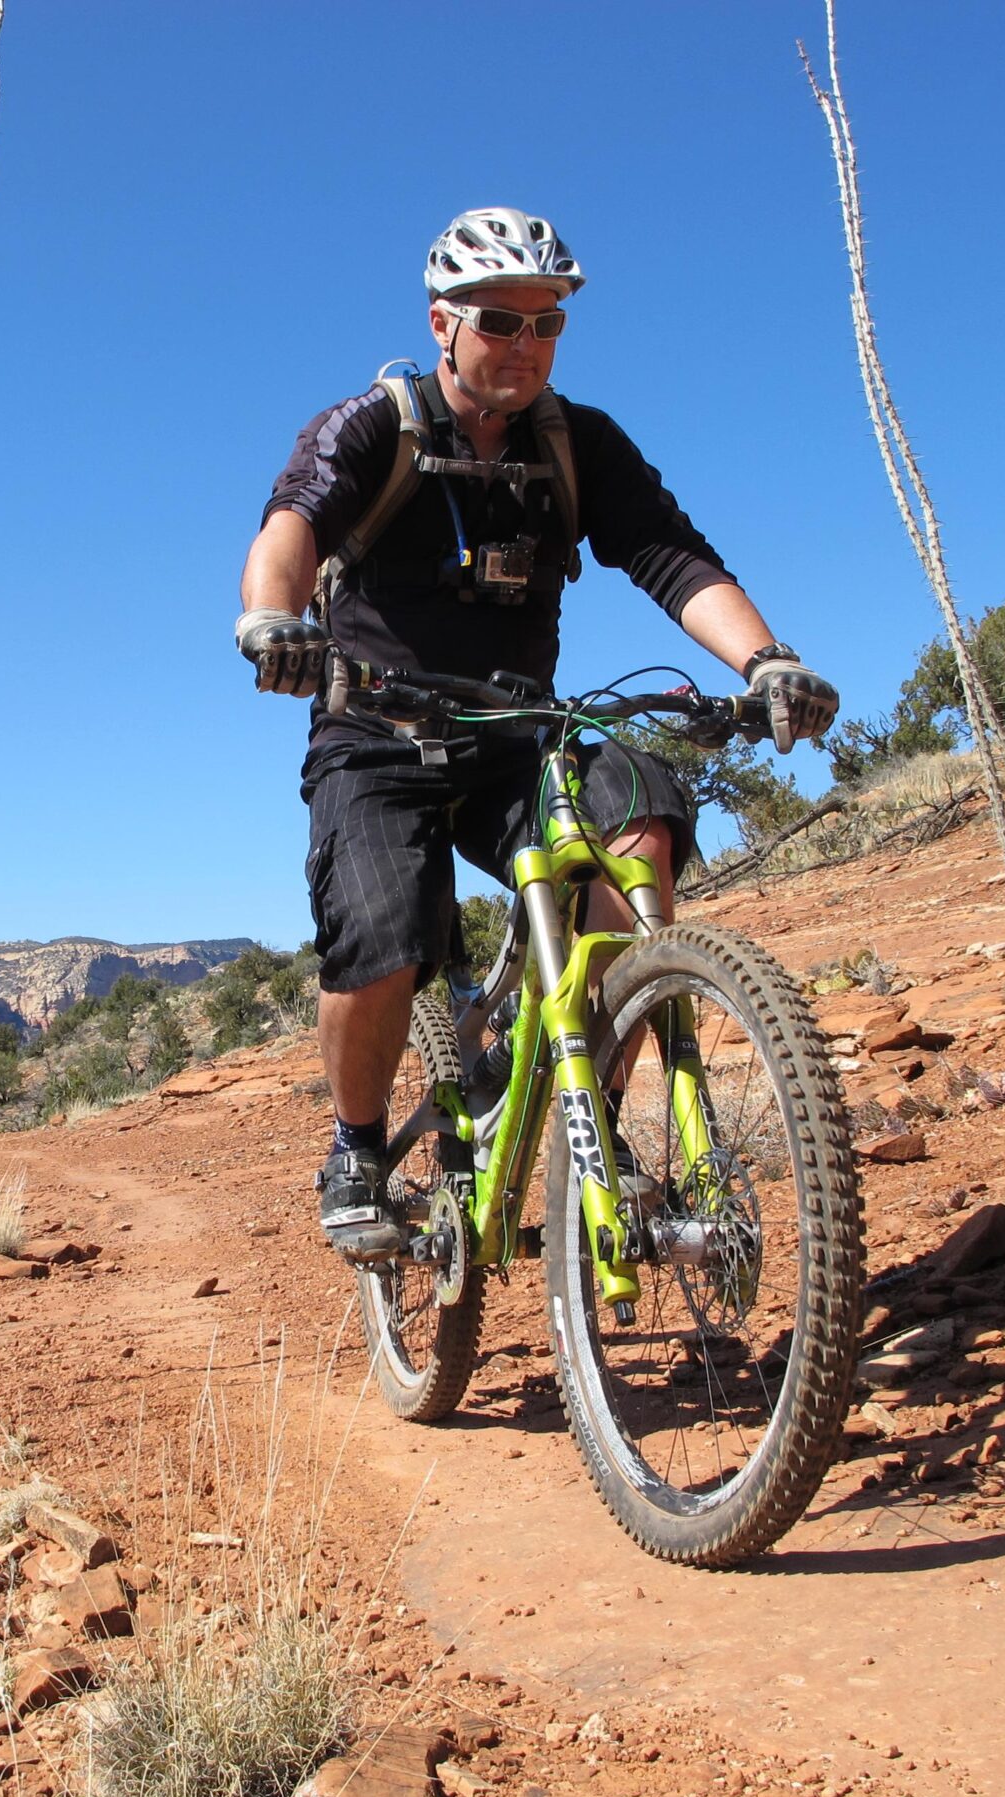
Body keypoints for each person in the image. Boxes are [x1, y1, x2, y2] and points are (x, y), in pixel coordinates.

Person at [234, 207, 840, 1255]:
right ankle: (357, 1145)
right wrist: (273, 624)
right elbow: (292, 524)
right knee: (381, 937)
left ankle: (585, 1099)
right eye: (500, 320)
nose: (524, 344)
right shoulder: (373, 427)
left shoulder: (577, 444)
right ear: (442, 322)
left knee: (642, 809)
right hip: (377, 732)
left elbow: (669, 555)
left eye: (546, 323)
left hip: (521, 733)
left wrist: (765, 662)